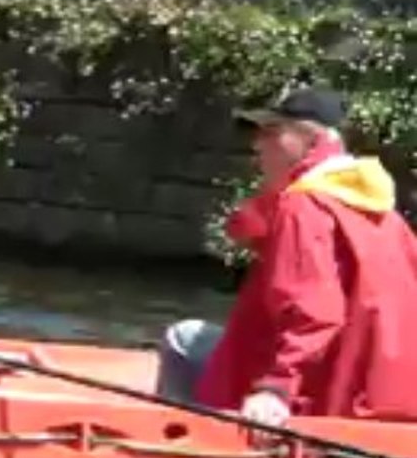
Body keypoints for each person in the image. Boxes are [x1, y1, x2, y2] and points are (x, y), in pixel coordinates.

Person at [157, 87, 417, 427]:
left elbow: (314, 313)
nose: (257, 145)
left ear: (310, 139)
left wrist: (276, 388)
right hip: (385, 400)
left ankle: (174, 450)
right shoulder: (385, 215)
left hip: (324, 402)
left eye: (271, 132)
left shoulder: (302, 207)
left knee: (184, 338)